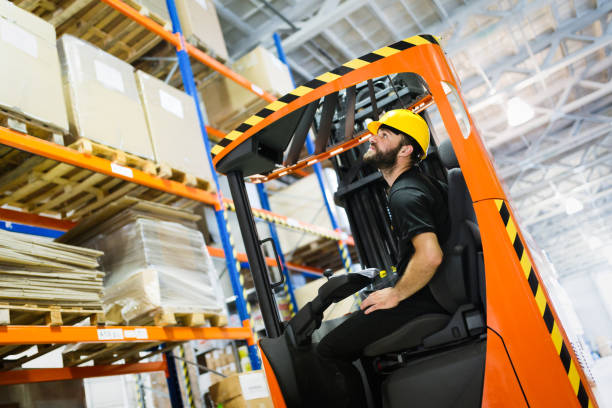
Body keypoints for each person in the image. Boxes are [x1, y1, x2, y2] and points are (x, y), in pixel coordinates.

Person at [317, 109, 451, 406]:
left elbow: (430, 256)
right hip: (434, 292)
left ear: (405, 150)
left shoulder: (405, 195)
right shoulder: (426, 185)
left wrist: (395, 293)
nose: (373, 138)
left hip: (423, 298)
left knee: (328, 350)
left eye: (384, 135)